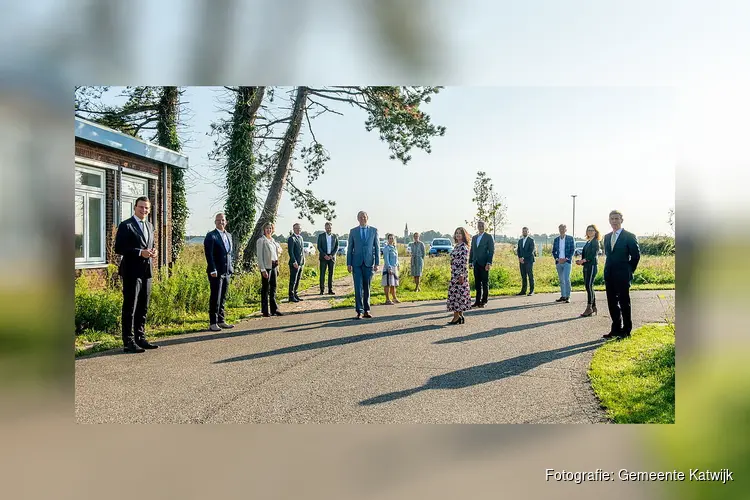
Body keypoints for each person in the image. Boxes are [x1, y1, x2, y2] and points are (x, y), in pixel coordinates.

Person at [114, 196, 158, 353]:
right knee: (130, 307)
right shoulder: (126, 225)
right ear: (135, 207)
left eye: (147, 208)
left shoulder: (150, 225)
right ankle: (128, 341)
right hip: (131, 272)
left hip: (147, 272)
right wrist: (140, 253)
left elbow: (150, 245)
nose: (144, 210)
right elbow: (118, 248)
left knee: (143, 306)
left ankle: (140, 337)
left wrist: (153, 251)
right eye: (141, 207)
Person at [602, 210, 641, 339]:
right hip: (609, 275)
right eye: (612, 219)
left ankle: (626, 330)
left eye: (616, 218)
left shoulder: (629, 236)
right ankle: (616, 328)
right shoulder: (607, 237)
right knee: (612, 303)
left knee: (624, 302)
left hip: (623, 275)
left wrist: (629, 271)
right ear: (609, 221)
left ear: (621, 220)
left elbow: (636, 256)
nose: (614, 221)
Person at [204, 212, 235, 332]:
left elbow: (229, 253)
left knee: (223, 297)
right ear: (215, 222)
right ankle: (213, 322)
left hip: (227, 271)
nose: (221, 222)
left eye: (223, 220)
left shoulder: (229, 235)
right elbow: (209, 254)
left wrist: (231, 268)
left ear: (226, 222)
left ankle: (221, 320)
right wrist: (212, 269)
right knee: (215, 297)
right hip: (216, 272)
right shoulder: (211, 236)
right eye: (218, 220)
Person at [346, 211, 379, 319]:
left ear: (367, 218)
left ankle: (366, 310)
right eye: (360, 217)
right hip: (356, 263)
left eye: (364, 217)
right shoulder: (353, 231)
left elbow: (377, 248)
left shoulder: (374, 231)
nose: (362, 219)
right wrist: (349, 263)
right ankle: (359, 311)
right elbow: (350, 248)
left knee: (367, 287)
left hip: (369, 263)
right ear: (358, 219)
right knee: (358, 287)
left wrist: (377, 263)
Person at [256, 222, 283, 317]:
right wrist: (262, 269)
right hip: (266, 267)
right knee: (265, 289)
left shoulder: (273, 241)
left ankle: (274, 309)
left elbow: (277, 254)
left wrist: (278, 268)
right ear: (264, 230)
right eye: (267, 228)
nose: (269, 230)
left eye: (270, 228)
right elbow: (259, 257)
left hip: (274, 266)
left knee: (273, 288)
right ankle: (265, 310)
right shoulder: (261, 241)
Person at [575, 224, 602, 317]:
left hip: (592, 266)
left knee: (589, 285)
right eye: (588, 230)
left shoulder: (595, 242)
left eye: (592, 230)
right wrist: (581, 261)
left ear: (595, 232)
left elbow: (593, 255)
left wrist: (584, 260)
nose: (590, 232)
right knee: (588, 286)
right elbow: (585, 254)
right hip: (586, 266)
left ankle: (589, 307)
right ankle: (593, 307)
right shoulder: (588, 242)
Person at [447, 227, 472, 324]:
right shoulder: (457, 246)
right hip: (454, 274)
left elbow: (464, 262)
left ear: (463, 235)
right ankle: (460, 316)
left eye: (460, 233)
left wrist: (461, 274)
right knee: (458, 295)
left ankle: (456, 317)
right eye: (456, 233)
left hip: (459, 274)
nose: (458, 235)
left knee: (457, 295)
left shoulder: (463, 247)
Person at [469, 220, 494, 308]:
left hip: (484, 263)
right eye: (479, 225)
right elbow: (472, 250)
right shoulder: (474, 237)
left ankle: (484, 301)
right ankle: (477, 301)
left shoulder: (488, 237)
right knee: (477, 283)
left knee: (485, 283)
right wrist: (470, 261)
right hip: (476, 263)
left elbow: (491, 251)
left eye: (482, 225)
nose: (480, 227)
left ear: (485, 226)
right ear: (477, 226)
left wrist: (489, 263)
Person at [552, 224, 575, 303]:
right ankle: (563, 295)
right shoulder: (556, 240)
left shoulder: (570, 238)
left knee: (566, 279)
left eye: (563, 228)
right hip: (559, 262)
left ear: (566, 229)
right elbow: (553, 251)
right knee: (561, 279)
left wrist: (566, 258)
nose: (561, 230)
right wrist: (557, 259)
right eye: (560, 228)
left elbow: (572, 250)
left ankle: (568, 296)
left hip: (567, 262)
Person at [316, 221, 339, 295]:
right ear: (325, 228)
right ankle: (322, 290)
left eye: (330, 227)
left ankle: (330, 289)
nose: (328, 229)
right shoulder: (321, 236)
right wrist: (324, 255)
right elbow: (319, 247)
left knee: (331, 274)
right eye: (327, 227)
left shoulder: (335, 236)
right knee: (322, 274)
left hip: (332, 258)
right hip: (323, 257)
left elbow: (336, 246)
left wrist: (332, 255)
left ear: (331, 228)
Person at [287, 223, 305, 302]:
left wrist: (303, 260)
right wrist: (294, 261)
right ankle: (291, 296)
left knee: (298, 279)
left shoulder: (300, 238)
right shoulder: (291, 238)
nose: (298, 230)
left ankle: (295, 293)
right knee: (293, 280)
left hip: (301, 263)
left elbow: (302, 250)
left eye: (299, 228)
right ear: (294, 229)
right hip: (294, 263)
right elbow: (290, 252)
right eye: (297, 228)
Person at [516, 226, 536, 296]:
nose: (524, 232)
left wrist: (523, 258)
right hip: (521, 261)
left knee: (530, 275)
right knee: (523, 276)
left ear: (528, 232)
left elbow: (531, 251)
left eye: (525, 231)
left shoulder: (531, 240)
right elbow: (518, 250)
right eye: (523, 231)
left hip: (529, 260)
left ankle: (531, 291)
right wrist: (519, 258)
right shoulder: (520, 241)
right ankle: (523, 291)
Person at [381, 233, 400, 304]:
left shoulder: (394, 247)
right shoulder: (386, 248)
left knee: (393, 284)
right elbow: (386, 259)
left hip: (394, 267)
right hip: (389, 267)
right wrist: (389, 268)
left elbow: (396, 258)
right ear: (388, 239)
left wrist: (398, 265)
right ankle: (387, 299)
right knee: (387, 284)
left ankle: (394, 298)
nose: (391, 240)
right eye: (390, 238)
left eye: (392, 238)